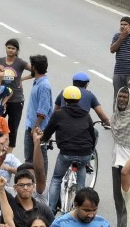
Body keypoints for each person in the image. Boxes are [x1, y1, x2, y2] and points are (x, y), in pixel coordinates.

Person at [41, 86, 98, 214]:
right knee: (81, 183)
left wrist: (43, 140)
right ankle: (80, 210)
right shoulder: (86, 114)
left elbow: (48, 132)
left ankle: (51, 210)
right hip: (84, 153)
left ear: (65, 100)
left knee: (56, 179)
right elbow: (92, 135)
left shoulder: (58, 114)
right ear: (78, 100)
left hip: (66, 153)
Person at [109, 17, 130, 109]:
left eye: (125, 24)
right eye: (121, 24)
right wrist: (121, 38)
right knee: (118, 97)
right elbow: (112, 50)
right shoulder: (117, 36)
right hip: (118, 72)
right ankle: (117, 118)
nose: (123, 26)